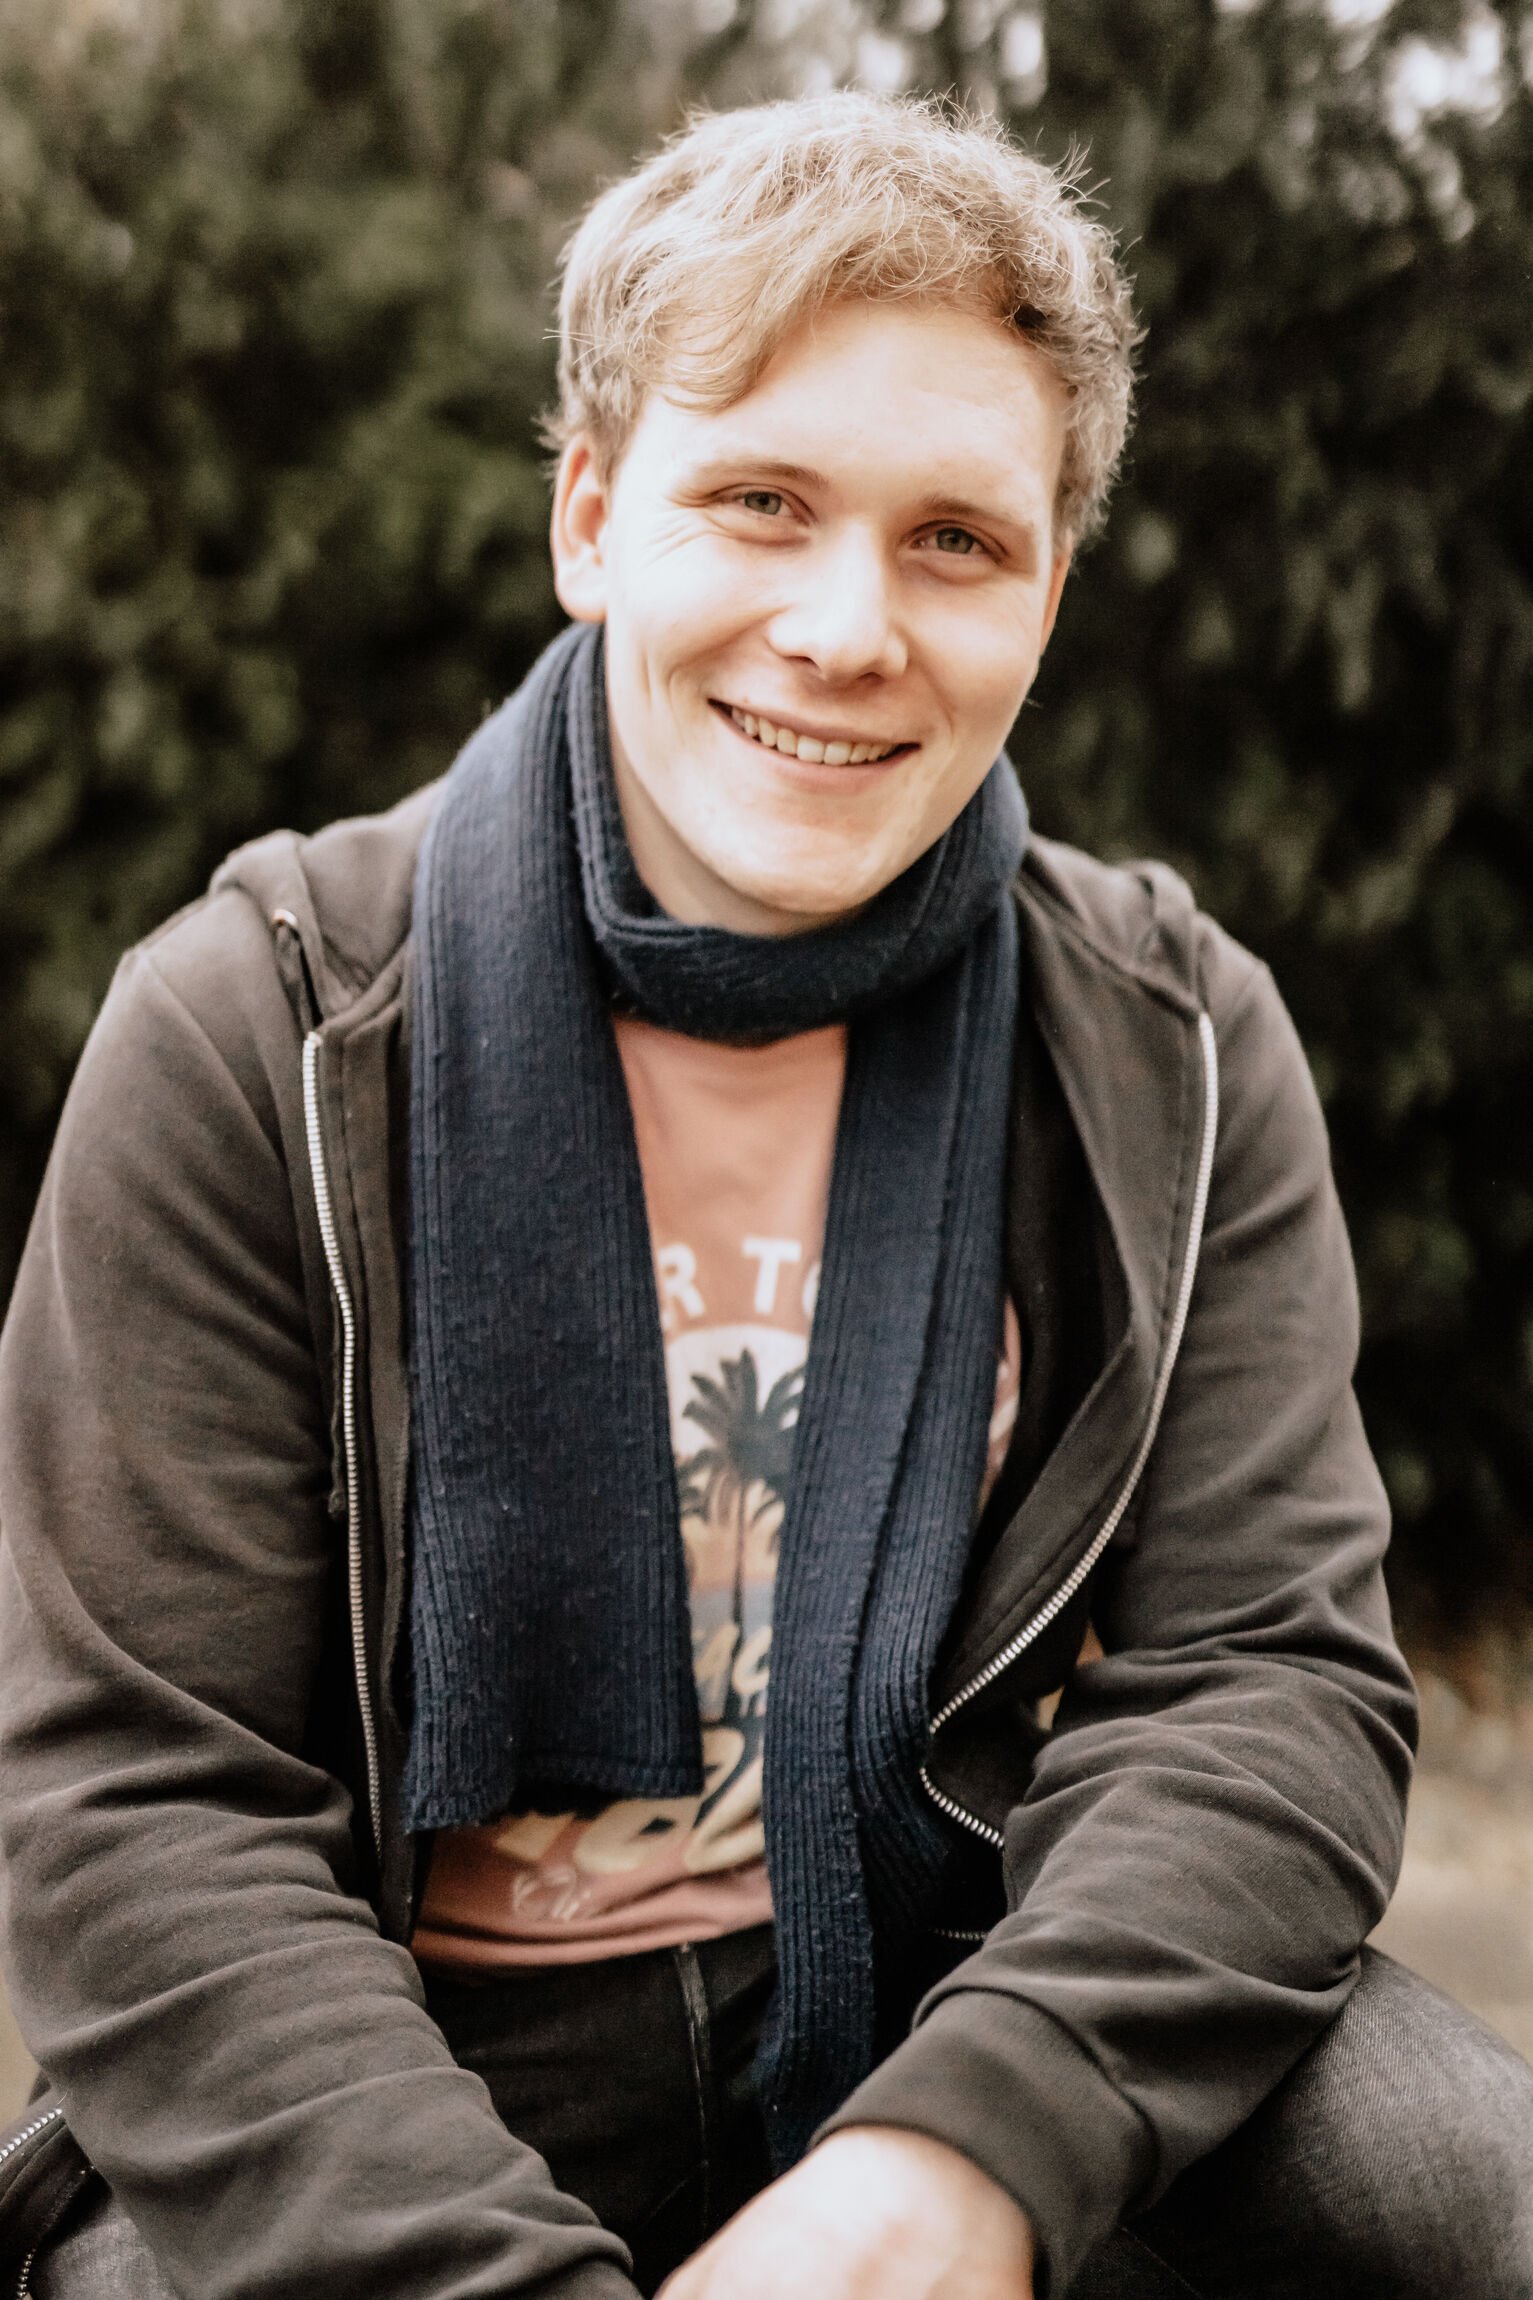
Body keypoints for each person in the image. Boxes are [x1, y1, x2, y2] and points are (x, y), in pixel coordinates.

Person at [1, 88, 1530, 2300]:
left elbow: (1261, 1683)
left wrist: (958, 2162)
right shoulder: (261, 1031)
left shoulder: (1169, 1037)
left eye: (952, 540)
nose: (843, 626)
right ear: (590, 518)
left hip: (942, 1977)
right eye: (759, 502)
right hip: (402, 2051)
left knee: (1460, 2183)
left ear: (1047, 592)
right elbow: (151, 1815)